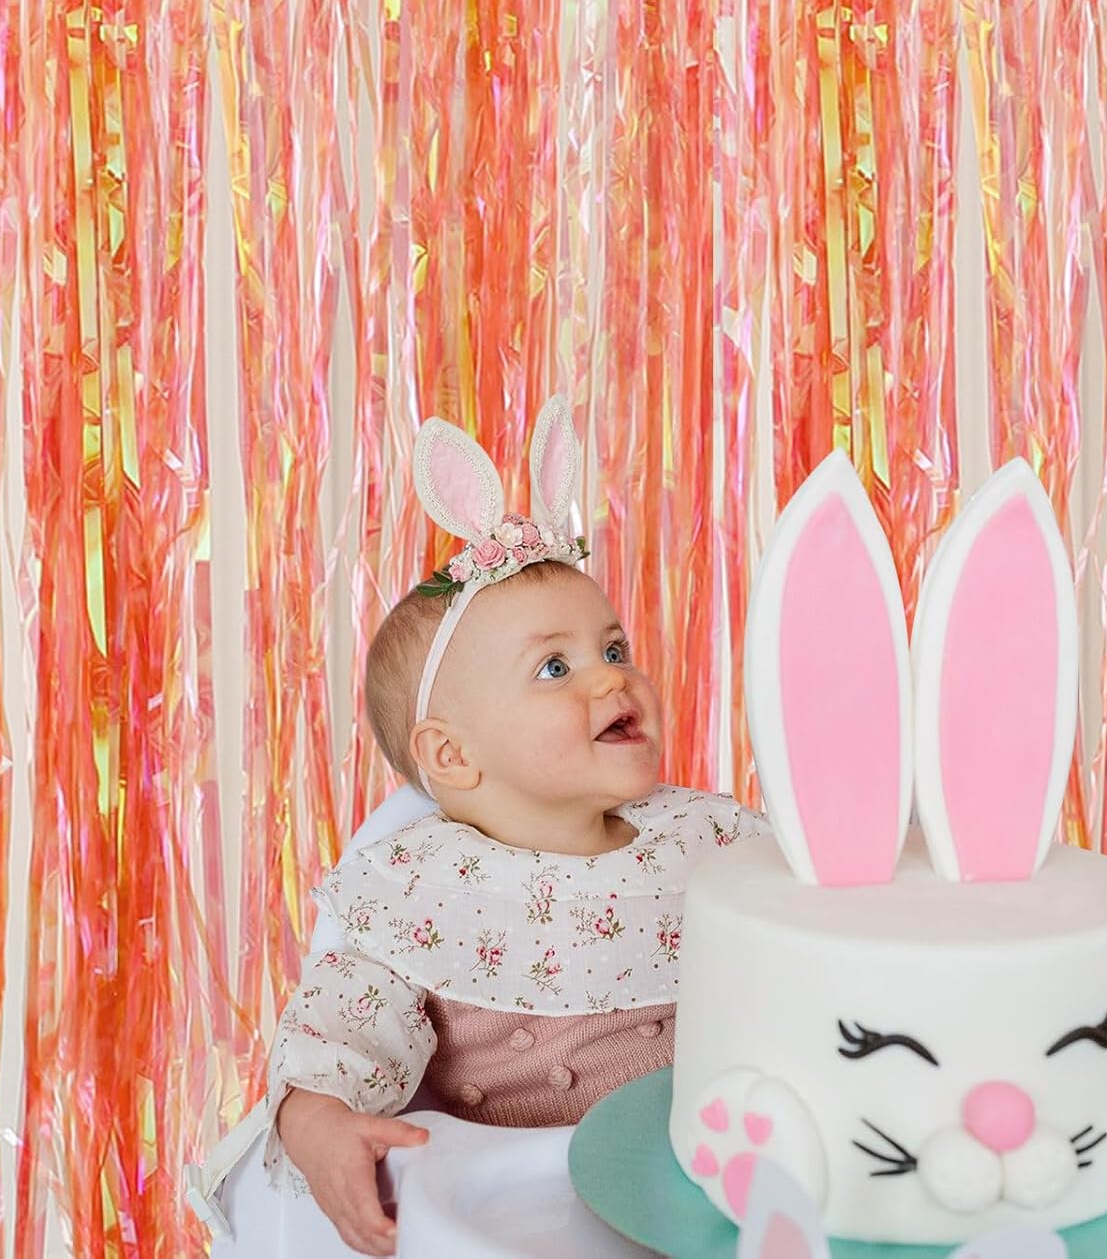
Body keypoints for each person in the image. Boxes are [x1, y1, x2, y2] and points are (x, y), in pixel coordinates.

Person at [265, 396, 764, 1255]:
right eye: (555, 667)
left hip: (707, 1176)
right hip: (529, 1207)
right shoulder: (419, 889)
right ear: (452, 755)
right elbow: (340, 1032)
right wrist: (319, 1125)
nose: (612, 679)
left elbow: (813, 939)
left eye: (614, 650)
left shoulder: (709, 839)